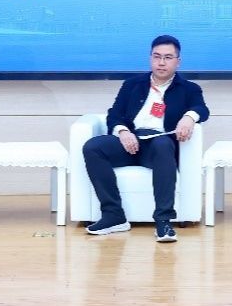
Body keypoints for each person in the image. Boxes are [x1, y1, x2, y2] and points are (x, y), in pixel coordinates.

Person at [81, 35, 209, 242]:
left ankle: (163, 221)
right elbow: (114, 114)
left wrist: (189, 117)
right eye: (157, 56)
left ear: (178, 61)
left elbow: (201, 109)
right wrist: (123, 132)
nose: (161, 62)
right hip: (131, 141)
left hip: (159, 145)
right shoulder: (132, 84)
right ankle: (114, 215)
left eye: (168, 57)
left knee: (162, 144)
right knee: (93, 147)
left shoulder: (189, 88)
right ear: (150, 58)